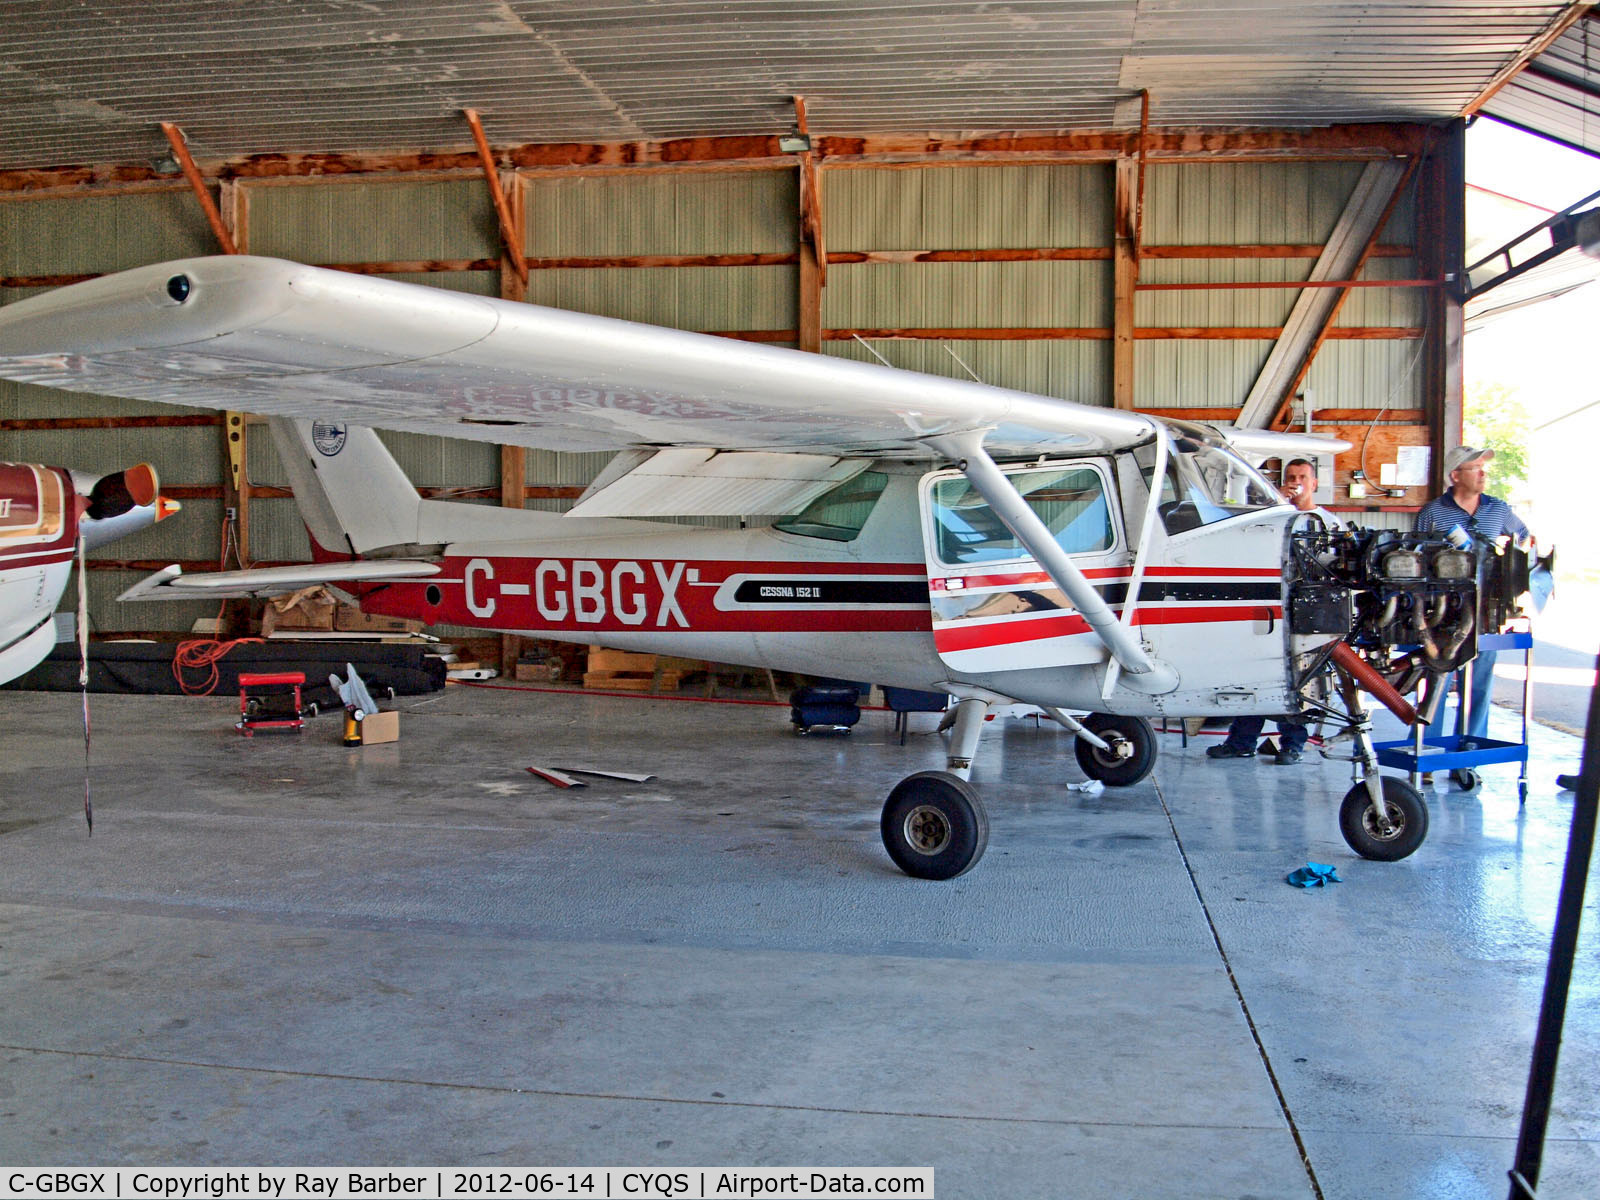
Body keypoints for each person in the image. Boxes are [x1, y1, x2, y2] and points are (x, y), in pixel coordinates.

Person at [1207, 457, 1337, 766]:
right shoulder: (1273, 519)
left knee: (1298, 680)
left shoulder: (1329, 523)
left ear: (1314, 483)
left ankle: (1292, 744)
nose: (1297, 481)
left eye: (1303, 476)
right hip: (1268, 610)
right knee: (1254, 673)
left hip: (1307, 614)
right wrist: (1275, 503)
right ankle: (1241, 741)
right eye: (1291, 476)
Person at [1415, 445, 1530, 746]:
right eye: (1475, 467)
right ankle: (1427, 750)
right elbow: (1415, 556)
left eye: (1483, 467)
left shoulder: (1499, 509)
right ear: (1455, 475)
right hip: (1442, 614)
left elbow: (1525, 538)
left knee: (1479, 686)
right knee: (1437, 681)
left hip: (1486, 612)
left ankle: (1470, 753)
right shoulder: (1433, 512)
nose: (1483, 473)